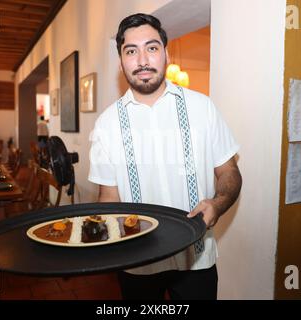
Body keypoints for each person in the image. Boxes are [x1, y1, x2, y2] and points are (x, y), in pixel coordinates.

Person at [88, 13, 242, 300]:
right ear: (121, 62)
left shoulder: (202, 108)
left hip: (197, 260)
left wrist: (218, 204)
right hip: (136, 263)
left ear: (166, 54)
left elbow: (229, 171)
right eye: (131, 51)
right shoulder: (106, 125)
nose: (143, 60)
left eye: (152, 47)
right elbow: (108, 197)